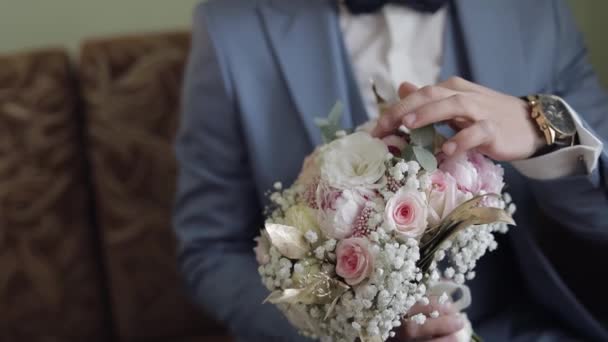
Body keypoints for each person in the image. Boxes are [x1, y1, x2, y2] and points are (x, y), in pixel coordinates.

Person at [172, 0, 608, 341]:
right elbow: (210, 250)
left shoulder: (536, 12)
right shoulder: (230, 30)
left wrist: (548, 131)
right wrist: (344, 330)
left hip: (519, 329)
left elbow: (598, 219)